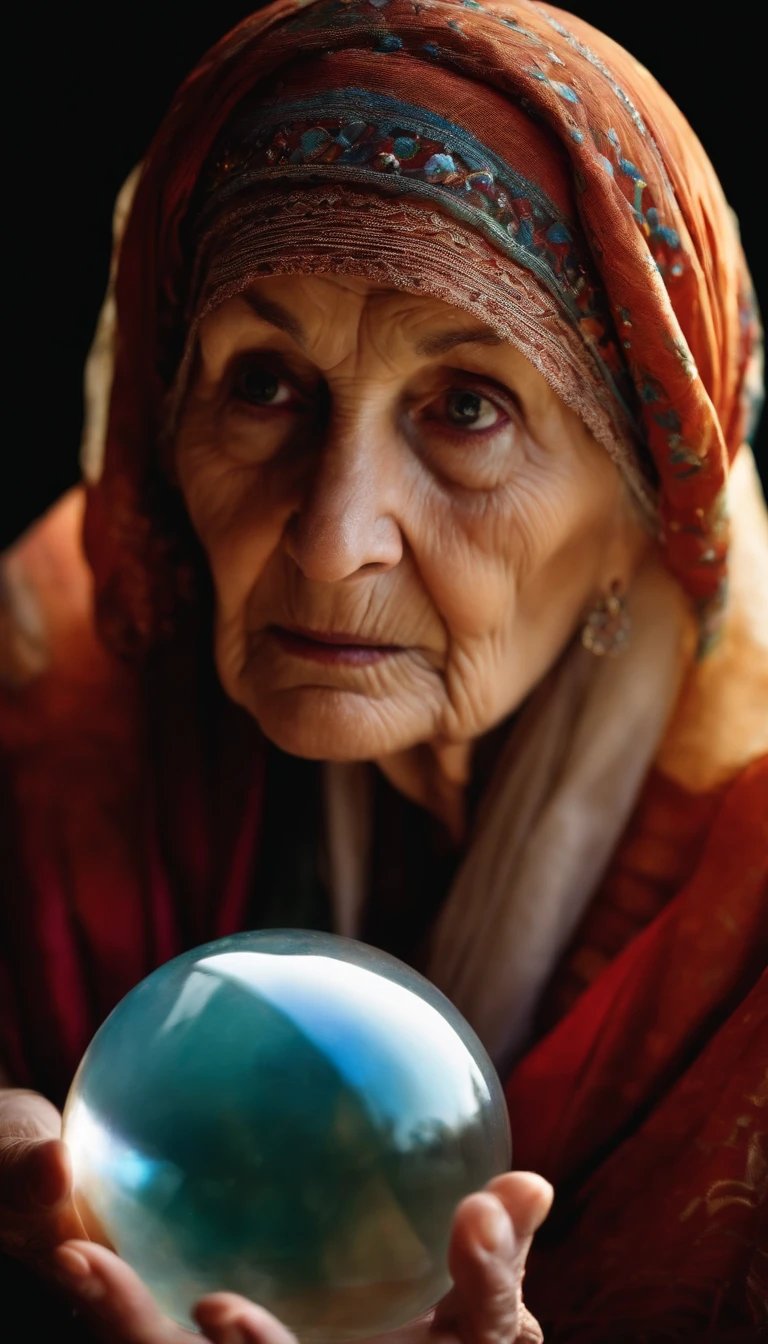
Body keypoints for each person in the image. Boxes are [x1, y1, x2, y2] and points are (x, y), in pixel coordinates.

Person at [1, 0, 765, 1339]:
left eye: (468, 408)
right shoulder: (42, 701)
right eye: (262, 386)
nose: (335, 534)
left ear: (651, 520)